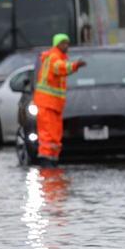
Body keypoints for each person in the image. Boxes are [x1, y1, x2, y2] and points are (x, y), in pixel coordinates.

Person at [32, 34, 86, 167]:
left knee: (54, 135)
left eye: (67, 43)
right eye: (63, 43)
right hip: (47, 103)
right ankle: (47, 162)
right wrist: (75, 65)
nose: (66, 46)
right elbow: (60, 67)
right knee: (48, 135)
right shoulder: (54, 57)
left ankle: (52, 161)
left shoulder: (56, 57)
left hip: (53, 104)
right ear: (57, 45)